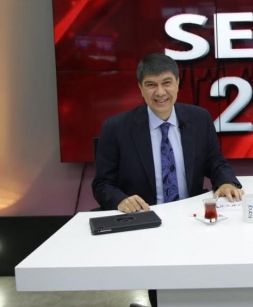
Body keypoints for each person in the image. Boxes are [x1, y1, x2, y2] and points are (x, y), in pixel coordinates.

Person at [92, 53, 244, 307]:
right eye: (151, 85)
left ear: (177, 83)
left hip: (192, 219)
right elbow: (102, 184)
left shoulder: (199, 118)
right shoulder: (116, 128)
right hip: (149, 223)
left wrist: (226, 181)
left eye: (166, 83)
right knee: (166, 290)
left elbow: (215, 161)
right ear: (141, 89)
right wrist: (121, 200)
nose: (160, 92)